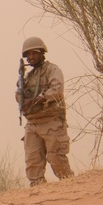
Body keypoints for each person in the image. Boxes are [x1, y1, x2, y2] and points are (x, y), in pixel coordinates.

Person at [16, 36, 73, 185]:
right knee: (33, 162)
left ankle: (70, 188)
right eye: (28, 54)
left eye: (34, 53)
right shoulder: (28, 76)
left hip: (51, 122)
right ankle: (38, 193)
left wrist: (37, 99)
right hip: (32, 124)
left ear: (42, 53)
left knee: (57, 159)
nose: (31, 57)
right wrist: (21, 98)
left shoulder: (52, 70)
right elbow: (18, 95)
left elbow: (57, 90)